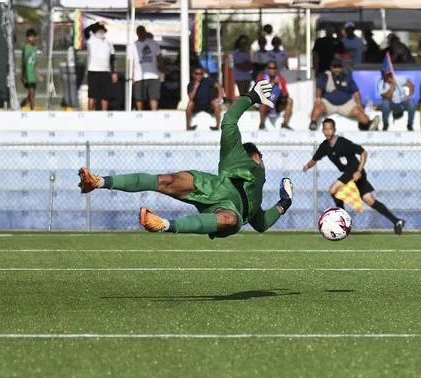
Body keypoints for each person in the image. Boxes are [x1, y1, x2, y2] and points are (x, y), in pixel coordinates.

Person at [78, 81, 293, 236]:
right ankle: (98, 182)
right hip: (210, 185)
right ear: (256, 156)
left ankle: (163, 225)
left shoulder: (256, 199)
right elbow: (229, 120)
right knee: (166, 180)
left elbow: (262, 223)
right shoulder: (237, 153)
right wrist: (251, 97)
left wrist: (284, 203)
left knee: (230, 219)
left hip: (228, 211)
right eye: (261, 158)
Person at [303, 118, 405, 234]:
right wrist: (307, 166)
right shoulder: (324, 146)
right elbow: (314, 160)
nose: (327, 131)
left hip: (355, 171)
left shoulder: (343, 143)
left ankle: (343, 222)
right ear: (322, 130)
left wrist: (359, 171)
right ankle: (397, 221)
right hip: (349, 173)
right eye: (325, 129)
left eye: (330, 129)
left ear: (334, 130)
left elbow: (363, 152)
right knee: (369, 199)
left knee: (333, 189)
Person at [308, 59, 378, 131]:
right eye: (335, 67)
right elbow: (319, 88)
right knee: (318, 105)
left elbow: (356, 92)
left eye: (339, 67)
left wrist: (359, 104)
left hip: (346, 104)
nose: (337, 69)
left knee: (358, 111)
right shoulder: (325, 76)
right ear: (331, 67)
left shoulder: (347, 78)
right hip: (329, 103)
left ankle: (369, 124)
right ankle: (313, 123)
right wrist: (318, 99)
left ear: (342, 68)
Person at [85, 23, 116, 111]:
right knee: (92, 95)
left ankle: (104, 114)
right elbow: (86, 30)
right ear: (95, 31)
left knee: (105, 96)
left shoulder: (108, 42)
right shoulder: (91, 39)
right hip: (93, 70)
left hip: (105, 71)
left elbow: (112, 58)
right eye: (99, 30)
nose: (101, 32)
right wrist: (97, 23)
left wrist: (113, 72)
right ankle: (90, 114)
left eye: (102, 30)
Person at [131, 26, 162, 111]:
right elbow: (130, 61)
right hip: (138, 76)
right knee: (139, 97)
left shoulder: (153, 43)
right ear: (137, 33)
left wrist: (162, 71)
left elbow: (159, 57)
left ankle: (154, 111)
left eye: (142, 31)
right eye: (139, 31)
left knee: (154, 96)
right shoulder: (133, 45)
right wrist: (132, 76)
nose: (141, 33)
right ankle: (140, 112)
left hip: (153, 75)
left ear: (145, 32)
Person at [256, 61, 293, 130]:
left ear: (276, 69)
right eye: (270, 68)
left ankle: (284, 124)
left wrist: (281, 91)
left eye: (274, 68)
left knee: (290, 100)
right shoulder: (262, 78)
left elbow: (285, 93)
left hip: (277, 103)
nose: (272, 70)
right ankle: (262, 124)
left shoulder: (280, 79)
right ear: (267, 69)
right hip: (266, 103)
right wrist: (272, 84)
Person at [185, 66, 223, 131]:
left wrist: (220, 97)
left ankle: (217, 126)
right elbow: (191, 98)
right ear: (193, 74)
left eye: (201, 74)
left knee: (216, 104)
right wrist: (196, 87)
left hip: (208, 104)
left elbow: (218, 86)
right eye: (197, 74)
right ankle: (188, 126)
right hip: (196, 105)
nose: (199, 76)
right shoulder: (190, 84)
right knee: (190, 104)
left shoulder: (207, 80)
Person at [20, 28, 39, 110]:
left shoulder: (35, 48)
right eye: (31, 37)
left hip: (33, 74)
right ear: (27, 38)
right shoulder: (25, 48)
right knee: (31, 92)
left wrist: (37, 74)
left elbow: (35, 63)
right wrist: (22, 76)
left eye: (34, 37)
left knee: (32, 94)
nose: (33, 38)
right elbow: (23, 63)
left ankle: (20, 105)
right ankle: (32, 109)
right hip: (28, 74)